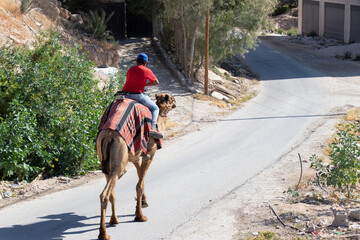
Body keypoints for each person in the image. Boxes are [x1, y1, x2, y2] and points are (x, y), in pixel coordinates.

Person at [121, 53, 163, 139]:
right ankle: (153, 128)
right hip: (136, 95)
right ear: (146, 63)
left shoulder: (130, 69)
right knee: (155, 108)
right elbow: (156, 82)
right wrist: (145, 84)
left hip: (124, 94)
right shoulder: (147, 70)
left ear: (136, 61)